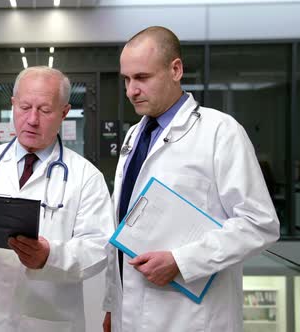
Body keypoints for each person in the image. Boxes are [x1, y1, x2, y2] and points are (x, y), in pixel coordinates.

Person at [102, 26, 280, 332]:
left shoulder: (220, 132)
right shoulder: (134, 135)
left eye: (142, 78)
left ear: (176, 70)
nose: (131, 90)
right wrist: (111, 305)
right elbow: (122, 228)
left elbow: (259, 224)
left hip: (191, 318)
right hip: (128, 316)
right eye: (127, 80)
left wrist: (182, 261)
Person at [0, 66, 114, 332]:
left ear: (64, 112)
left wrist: (49, 256)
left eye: (44, 110)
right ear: (12, 105)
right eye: (24, 107)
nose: (32, 119)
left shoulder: (86, 177)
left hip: (47, 321)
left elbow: (98, 249)